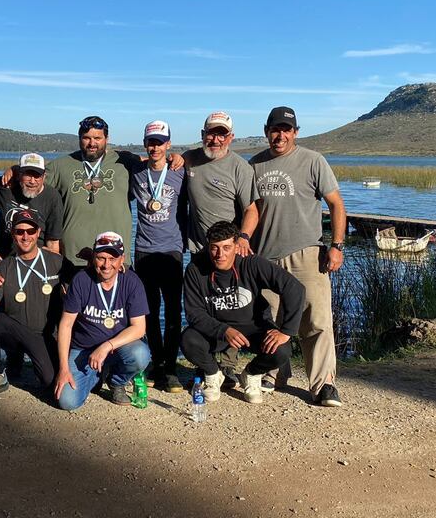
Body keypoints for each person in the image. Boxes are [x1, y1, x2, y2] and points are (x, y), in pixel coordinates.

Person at [249, 106, 347, 407]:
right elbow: (250, 209)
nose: (280, 135)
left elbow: (336, 204)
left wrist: (337, 245)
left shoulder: (313, 161)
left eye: (286, 130)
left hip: (307, 254)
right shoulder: (254, 164)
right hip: (266, 256)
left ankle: (323, 385)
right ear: (267, 131)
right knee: (271, 321)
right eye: (275, 129)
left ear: (295, 132)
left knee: (315, 320)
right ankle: (274, 372)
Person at [180, 221, 304, 404]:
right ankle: (213, 374)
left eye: (226, 247)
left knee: (281, 349)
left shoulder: (252, 264)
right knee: (188, 339)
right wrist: (223, 330)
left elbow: (294, 288)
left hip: (253, 328)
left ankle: (251, 374)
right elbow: (194, 313)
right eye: (214, 248)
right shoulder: (195, 269)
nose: (220, 254)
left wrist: (287, 331)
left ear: (236, 246)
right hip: (219, 331)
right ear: (208, 247)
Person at [0, 209, 66, 399]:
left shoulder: (57, 262)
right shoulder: (4, 266)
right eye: (19, 231)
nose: (25, 236)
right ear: (13, 234)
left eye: (30, 231)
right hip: (16, 333)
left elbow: (84, 284)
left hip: (46, 335)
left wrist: (116, 269)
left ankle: (28, 362)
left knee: (51, 384)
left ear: (38, 232)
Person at [54, 232, 151, 410]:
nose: (107, 265)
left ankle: (116, 381)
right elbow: (65, 325)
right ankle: (97, 376)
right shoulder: (81, 280)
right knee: (67, 401)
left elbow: (139, 329)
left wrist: (106, 346)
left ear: (122, 259)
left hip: (118, 348)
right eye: (101, 258)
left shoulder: (132, 281)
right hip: (84, 349)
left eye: (112, 258)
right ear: (93, 257)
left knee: (140, 354)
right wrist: (63, 368)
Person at [44, 116, 143, 275]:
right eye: (86, 138)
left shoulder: (125, 162)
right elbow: (32, 186)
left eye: (97, 138)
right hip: (72, 259)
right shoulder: (60, 166)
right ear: (79, 138)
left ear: (107, 139)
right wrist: (14, 171)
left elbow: (155, 166)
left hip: (115, 260)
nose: (92, 143)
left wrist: (177, 158)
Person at [130, 120, 186, 393]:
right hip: (143, 250)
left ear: (168, 144)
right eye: (151, 142)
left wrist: (182, 157)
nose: (155, 147)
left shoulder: (180, 171)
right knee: (148, 312)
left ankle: (172, 368)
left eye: (160, 142)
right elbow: (117, 157)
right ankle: (156, 362)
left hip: (172, 250)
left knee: (174, 310)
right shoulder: (136, 171)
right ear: (145, 143)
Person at [182, 111, 259, 256]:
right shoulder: (190, 159)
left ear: (231, 138)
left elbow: (251, 210)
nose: (216, 140)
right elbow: (164, 162)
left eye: (222, 135)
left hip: (227, 252)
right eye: (211, 133)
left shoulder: (240, 168)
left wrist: (244, 237)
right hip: (199, 251)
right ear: (202, 134)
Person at [0, 153, 64, 258]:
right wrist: (12, 169)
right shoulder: (7, 187)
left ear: (44, 176)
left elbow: (53, 242)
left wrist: (51, 265)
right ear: (19, 175)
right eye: (28, 175)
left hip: (35, 261)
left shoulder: (52, 198)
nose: (32, 181)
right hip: (4, 259)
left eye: (37, 176)